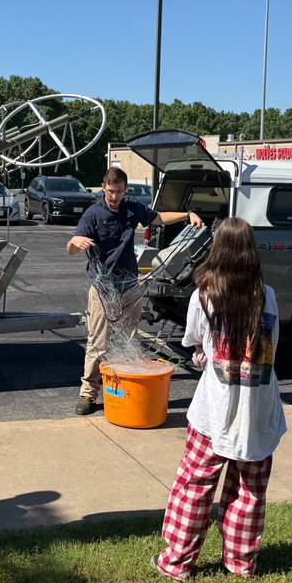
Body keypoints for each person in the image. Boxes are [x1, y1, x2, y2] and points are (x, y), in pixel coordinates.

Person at [153, 217, 285, 580]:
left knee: (194, 485)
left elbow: (195, 340)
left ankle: (177, 562)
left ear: (218, 250)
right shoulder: (267, 294)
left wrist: (203, 354)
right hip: (259, 411)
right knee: (250, 490)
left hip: (215, 410)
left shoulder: (204, 295)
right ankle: (240, 563)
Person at [66, 167, 202, 416]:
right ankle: (88, 394)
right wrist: (74, 243)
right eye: (110, 192)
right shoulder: (93, 214)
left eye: (118, 191)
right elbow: (72, 246)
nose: (114, 196)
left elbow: (158, 218)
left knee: (127, 340)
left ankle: (120, 389)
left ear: (125, 189)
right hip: (102, 289)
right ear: (102, 188)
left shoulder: (131, 207)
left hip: (129, 285)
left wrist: (187, 215)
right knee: (97, 342)